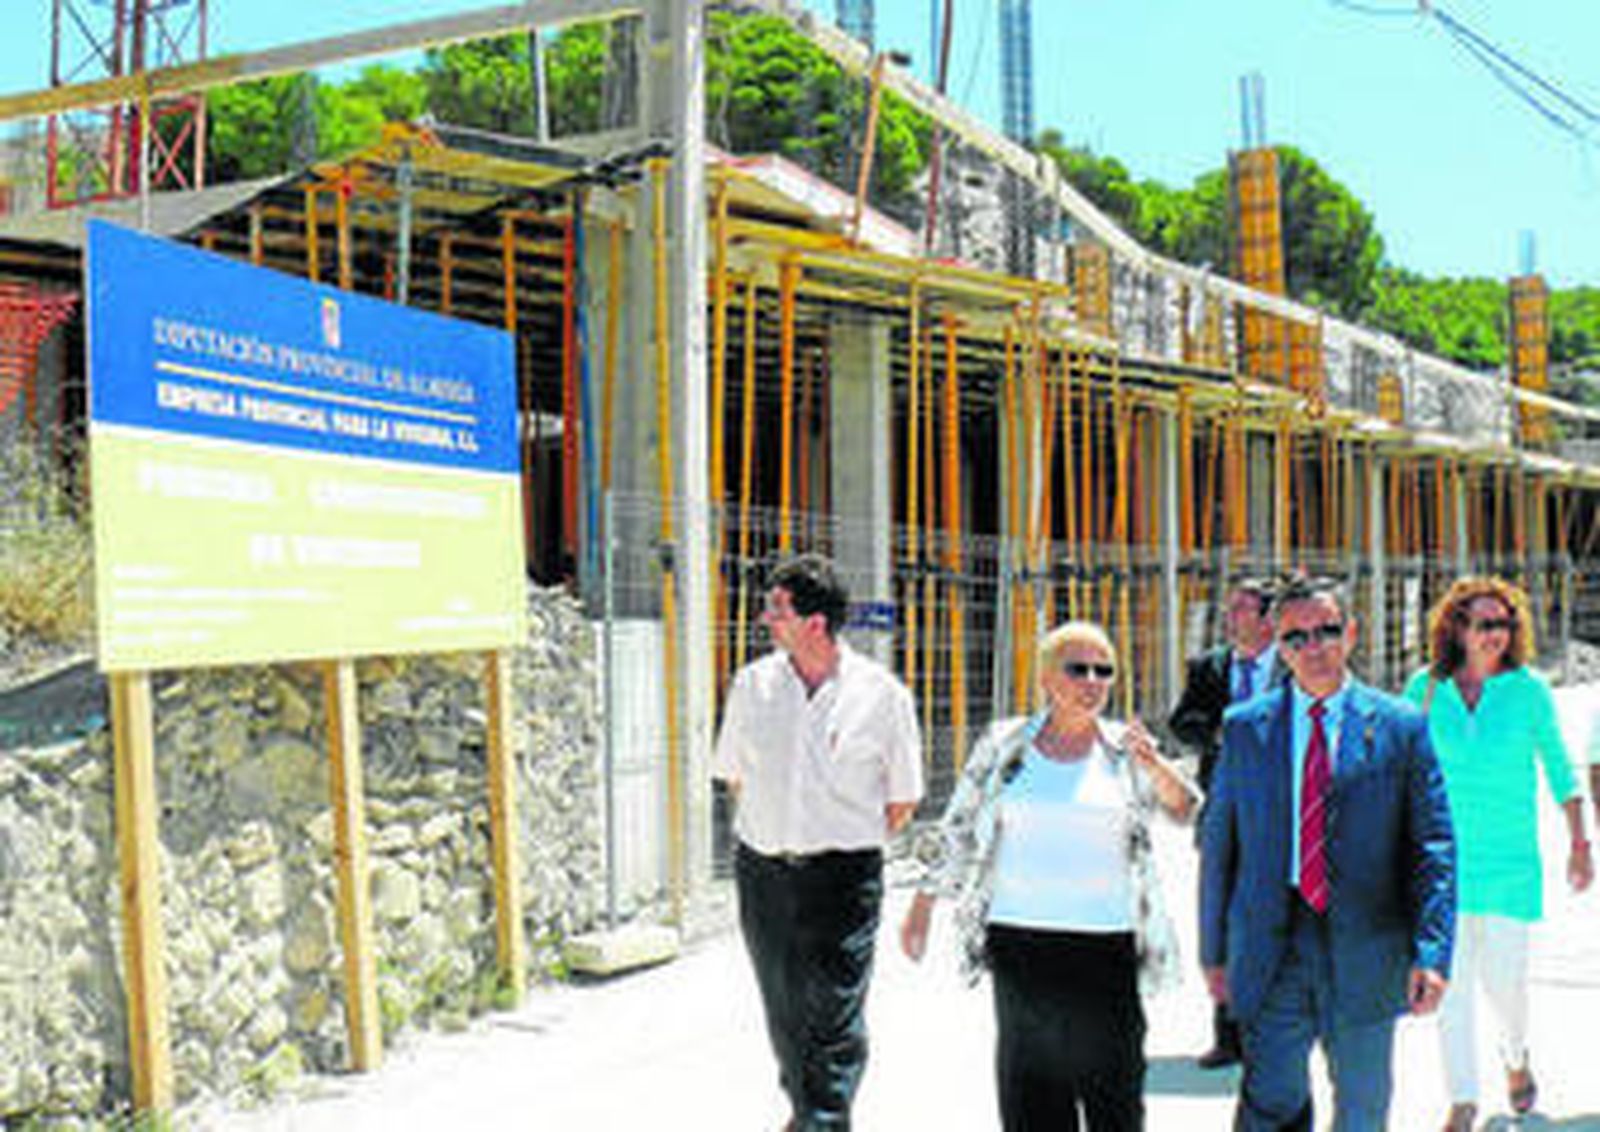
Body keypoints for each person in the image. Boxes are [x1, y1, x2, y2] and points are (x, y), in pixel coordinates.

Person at [900, 621, 1199, 1131]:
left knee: (1115, 1096)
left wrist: (1154, 764)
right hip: (1020, 942)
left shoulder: (1124, 749)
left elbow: (1186, 807)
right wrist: (923, 904)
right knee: (1032, 1098)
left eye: (1104, 670)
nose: (1092, 681)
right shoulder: (1005, 744)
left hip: (1107, 944)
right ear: (1045, 678)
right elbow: (959, 826)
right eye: (1077, 669)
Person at [1200, 574, 1456, 1131]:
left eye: (1327, 631)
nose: (1313, 648)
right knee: (1269, 1103)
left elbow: (1433, 848)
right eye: (1296, 637)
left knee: (1362, 1108)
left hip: (1367, 945)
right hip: (1274, 944)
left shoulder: (1402, 727)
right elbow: (1220, 846)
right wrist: (1213, 951)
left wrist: (1432, 954)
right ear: (1278, 645)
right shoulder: (1244, 729)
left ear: (1352, 633)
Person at [712, 554, 923, 1132]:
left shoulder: (881, 696)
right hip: (765, 871)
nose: (765, 619)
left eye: (777, 610)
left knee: (833, 1009)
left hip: (843, 877)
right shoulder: (753, 686)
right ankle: (807, 1111)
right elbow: (734, 774)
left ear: (816, 623)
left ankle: (823, 1120)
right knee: (783, 1007)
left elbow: (902, 801)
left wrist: (836, 834)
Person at [1402, 577, 1593, 1132]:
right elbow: (1399, 763)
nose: (1496, 635)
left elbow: (1558, 766)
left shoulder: (1528, 690)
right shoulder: (1425, 688)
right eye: (1485, 624)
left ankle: (1515, 1056)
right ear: (1456, 628)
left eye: (1504, 624)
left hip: (1510, 864)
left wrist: (1579, 842)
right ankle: (1462, 1099)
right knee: (1450, 986)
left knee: (1506, 987)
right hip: (1441, 865)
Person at [1168, 576, 1285, 1069]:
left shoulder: (1294, 661)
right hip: (1224, 809)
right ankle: (1227, 1034)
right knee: (1222, 920)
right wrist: (1221, 731)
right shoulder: (1210, 667)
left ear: (1268, 618)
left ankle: (1277, 1029)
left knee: (1276, 921)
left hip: (1279, 811)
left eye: (1242, 608)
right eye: (1230, 608)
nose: (1231, 617)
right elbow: (1181, 722)